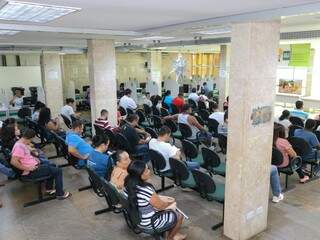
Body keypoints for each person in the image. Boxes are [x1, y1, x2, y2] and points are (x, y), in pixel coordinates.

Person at [124, 160, 186, 240]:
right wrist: (170, 202)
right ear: (140, 175)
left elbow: (145, 200)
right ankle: (170, 238)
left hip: (136, 219)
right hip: (150, 223)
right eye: (146, 170)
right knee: (179, 216)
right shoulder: (146, 190)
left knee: (171, 209)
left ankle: (171, 233)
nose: (149, 171)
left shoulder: (127, 184)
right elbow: (161, 206)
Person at [10, 129, 71, 199]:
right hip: (30, 172)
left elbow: (24, 157)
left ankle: (49, 189)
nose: (30, 142)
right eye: (31, 139)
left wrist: (34, 158)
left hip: (34, 166)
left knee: (52, 166)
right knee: (58, 170)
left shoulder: (21, 143)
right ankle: (60, 194)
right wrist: (28, 168)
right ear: (29, 138)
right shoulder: (19, 147)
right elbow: (13, 161)